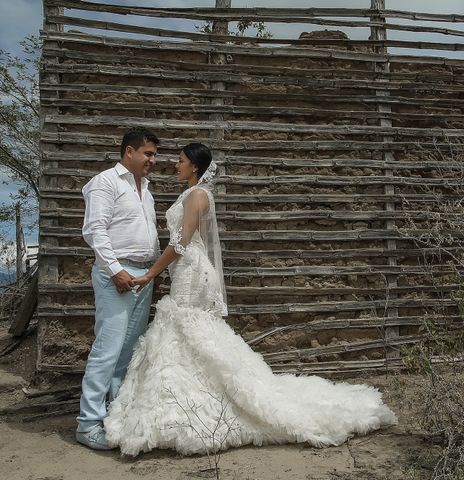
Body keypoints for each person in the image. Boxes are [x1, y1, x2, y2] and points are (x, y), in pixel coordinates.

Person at [104, 143, 397, 456]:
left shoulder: (197, 195)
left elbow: (181, 244)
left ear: (195, 167)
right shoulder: (194, 194)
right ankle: (191, 398)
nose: (175, 166)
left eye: (181, 161)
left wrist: (150, 274)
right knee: (187, 333)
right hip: (188, 269)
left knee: (185, 329)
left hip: (191, 271)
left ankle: (198, 404)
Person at [76, 128, 160, 450]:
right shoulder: (105, 182)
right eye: (147, 154)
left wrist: (150, 271)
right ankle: (87, 424)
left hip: (142, 276)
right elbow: (95, 231)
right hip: (117, 274)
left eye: (154, 155)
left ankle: (114, 415)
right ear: (129, 152)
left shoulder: (147, 190)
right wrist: (115, 270)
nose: (152, 160)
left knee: (127, 351)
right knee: (107, 349)